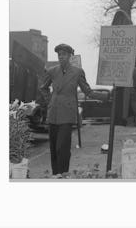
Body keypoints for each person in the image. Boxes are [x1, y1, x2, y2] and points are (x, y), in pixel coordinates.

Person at [40, 43, 96, 178]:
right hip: (53, 112)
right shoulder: (52, 71)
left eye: (64, 54)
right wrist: (50, 101)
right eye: (59, 55)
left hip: (67, 113)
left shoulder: (77, 72)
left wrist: (104, 95)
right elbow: (43, 87)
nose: (61, 57)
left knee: (62, 147)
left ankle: (63, 174)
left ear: (70, 56)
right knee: (53, 147)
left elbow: (87, 90)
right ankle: (55, 175)